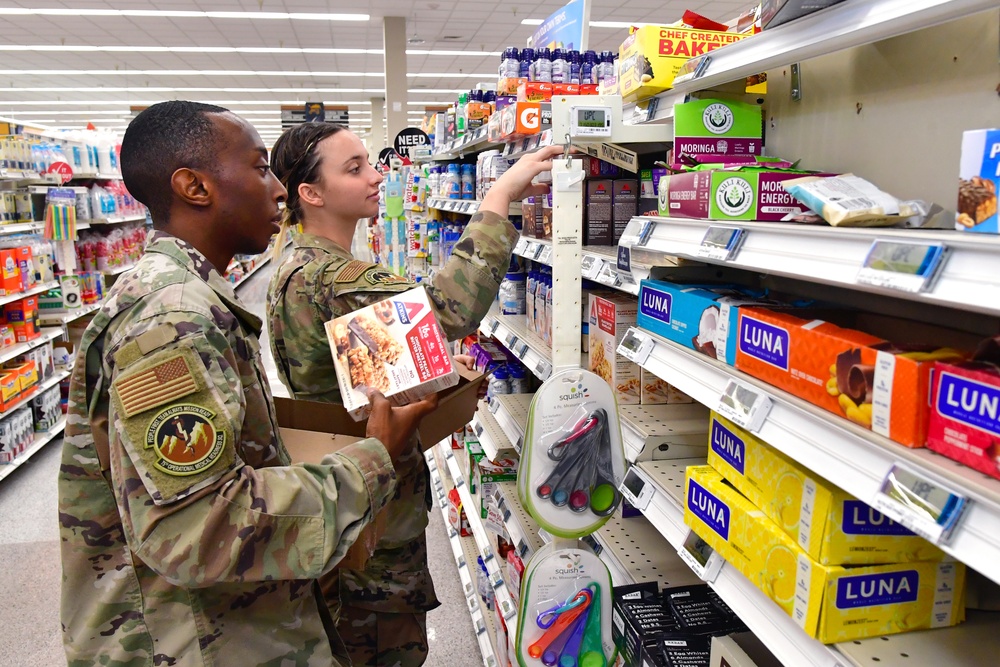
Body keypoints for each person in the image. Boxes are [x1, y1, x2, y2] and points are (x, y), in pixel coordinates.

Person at [57, 100, 438, 666]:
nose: (279, 190)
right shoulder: (172, 320)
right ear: (194, 186)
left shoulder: (185, 296)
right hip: (187, 642)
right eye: (260, 168)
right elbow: (198, 528)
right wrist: (373, 457)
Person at [267, 121, 561, 666]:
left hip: (348, 494)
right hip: (372, 519)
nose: (377, 175)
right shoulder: (333, 277)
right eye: (354, 168)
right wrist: (498, 196)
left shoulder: (295, 264)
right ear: (310, 193)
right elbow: (448, 308)